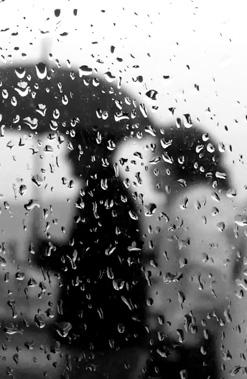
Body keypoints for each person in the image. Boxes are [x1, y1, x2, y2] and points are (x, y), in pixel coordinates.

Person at [142, 125, 247, 378]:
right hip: (215, 345)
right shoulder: (205, 201)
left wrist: (180, 339)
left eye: (155, 159)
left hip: (201, 351)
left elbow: (210, 281)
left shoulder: (197, 203)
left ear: (175, 162)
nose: (149, 169)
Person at [33, 128, 148, 378]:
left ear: (94, 151)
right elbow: (93, 255)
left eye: (72, 149)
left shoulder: (102, 193)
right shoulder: (108, 191)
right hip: (113, 330)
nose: (66, 158)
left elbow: (90, 264)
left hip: (101, 334)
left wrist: (46, 255)